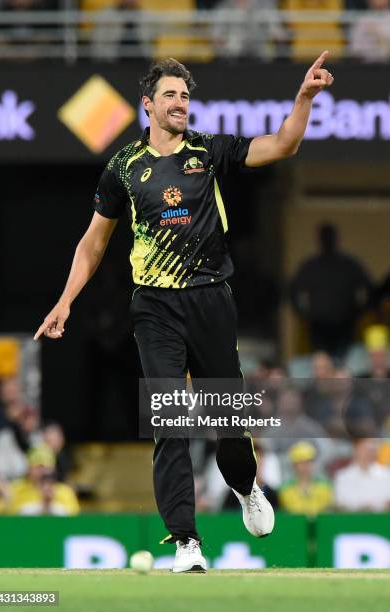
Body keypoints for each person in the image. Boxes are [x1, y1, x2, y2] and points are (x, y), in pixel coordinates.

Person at [34, 54, 334, 573]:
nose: (181, 103)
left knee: (228, 425)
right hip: (154, 306)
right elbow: (93, 243)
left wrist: (303, 99)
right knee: (169, 419)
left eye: (186, 96)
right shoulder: (123, 168)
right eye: (170, 95)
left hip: (210, 300)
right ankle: (186, 541)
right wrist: (65, 301)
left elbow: (283, 144)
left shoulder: (208, 151)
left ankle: (244, 486)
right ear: (147, 105)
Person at [289, 224, 372, 357]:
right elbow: (292, 291)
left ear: (336, 239)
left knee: (344, 365)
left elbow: (369, 288)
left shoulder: (348, 264)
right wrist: (304, 315)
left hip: (345, 325)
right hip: (319, 327)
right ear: (319, 240)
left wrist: (358, 311)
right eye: (325, 238)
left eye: (330, 237)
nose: (327, 241)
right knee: (321, 363)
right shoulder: (311, 266)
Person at [278, 441, 332, 516]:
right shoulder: (285, 489)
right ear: (294, 465)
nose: (305, 466)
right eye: (301, 462)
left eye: (308, 462)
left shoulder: (324, 486)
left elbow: (324, 509)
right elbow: (292, 510)